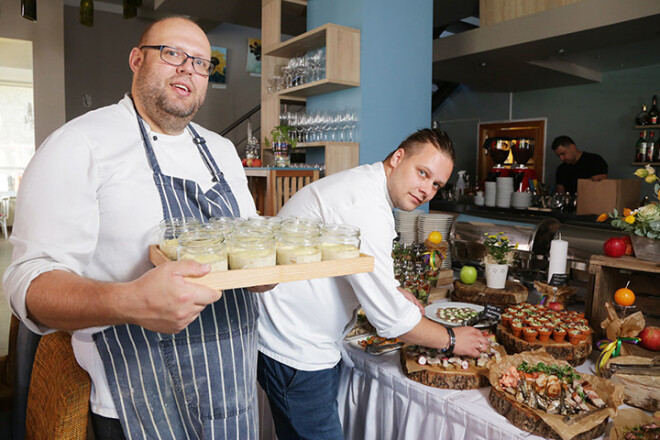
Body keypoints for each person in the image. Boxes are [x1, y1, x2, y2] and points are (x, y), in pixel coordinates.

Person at [3, 17, 263, 439]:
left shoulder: (221, 151)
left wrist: (262, 274)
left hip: (231, 386)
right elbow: (26, 284)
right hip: (138, 400)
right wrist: (128, 301)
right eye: (173, 54)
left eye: (201, 63)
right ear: (137, 59)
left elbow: (247, 239)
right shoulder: (79, 144)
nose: (187, 69)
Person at [257, 129, 490, 440]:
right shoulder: (365, 205)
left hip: (294, 338)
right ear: (398, 158)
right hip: (295, 346)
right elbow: (392, 321)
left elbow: (355, 265)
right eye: (423, 173)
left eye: (436, 184)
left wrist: (391, 290)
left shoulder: (365, 186)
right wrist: (451, 339)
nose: (427, 190)